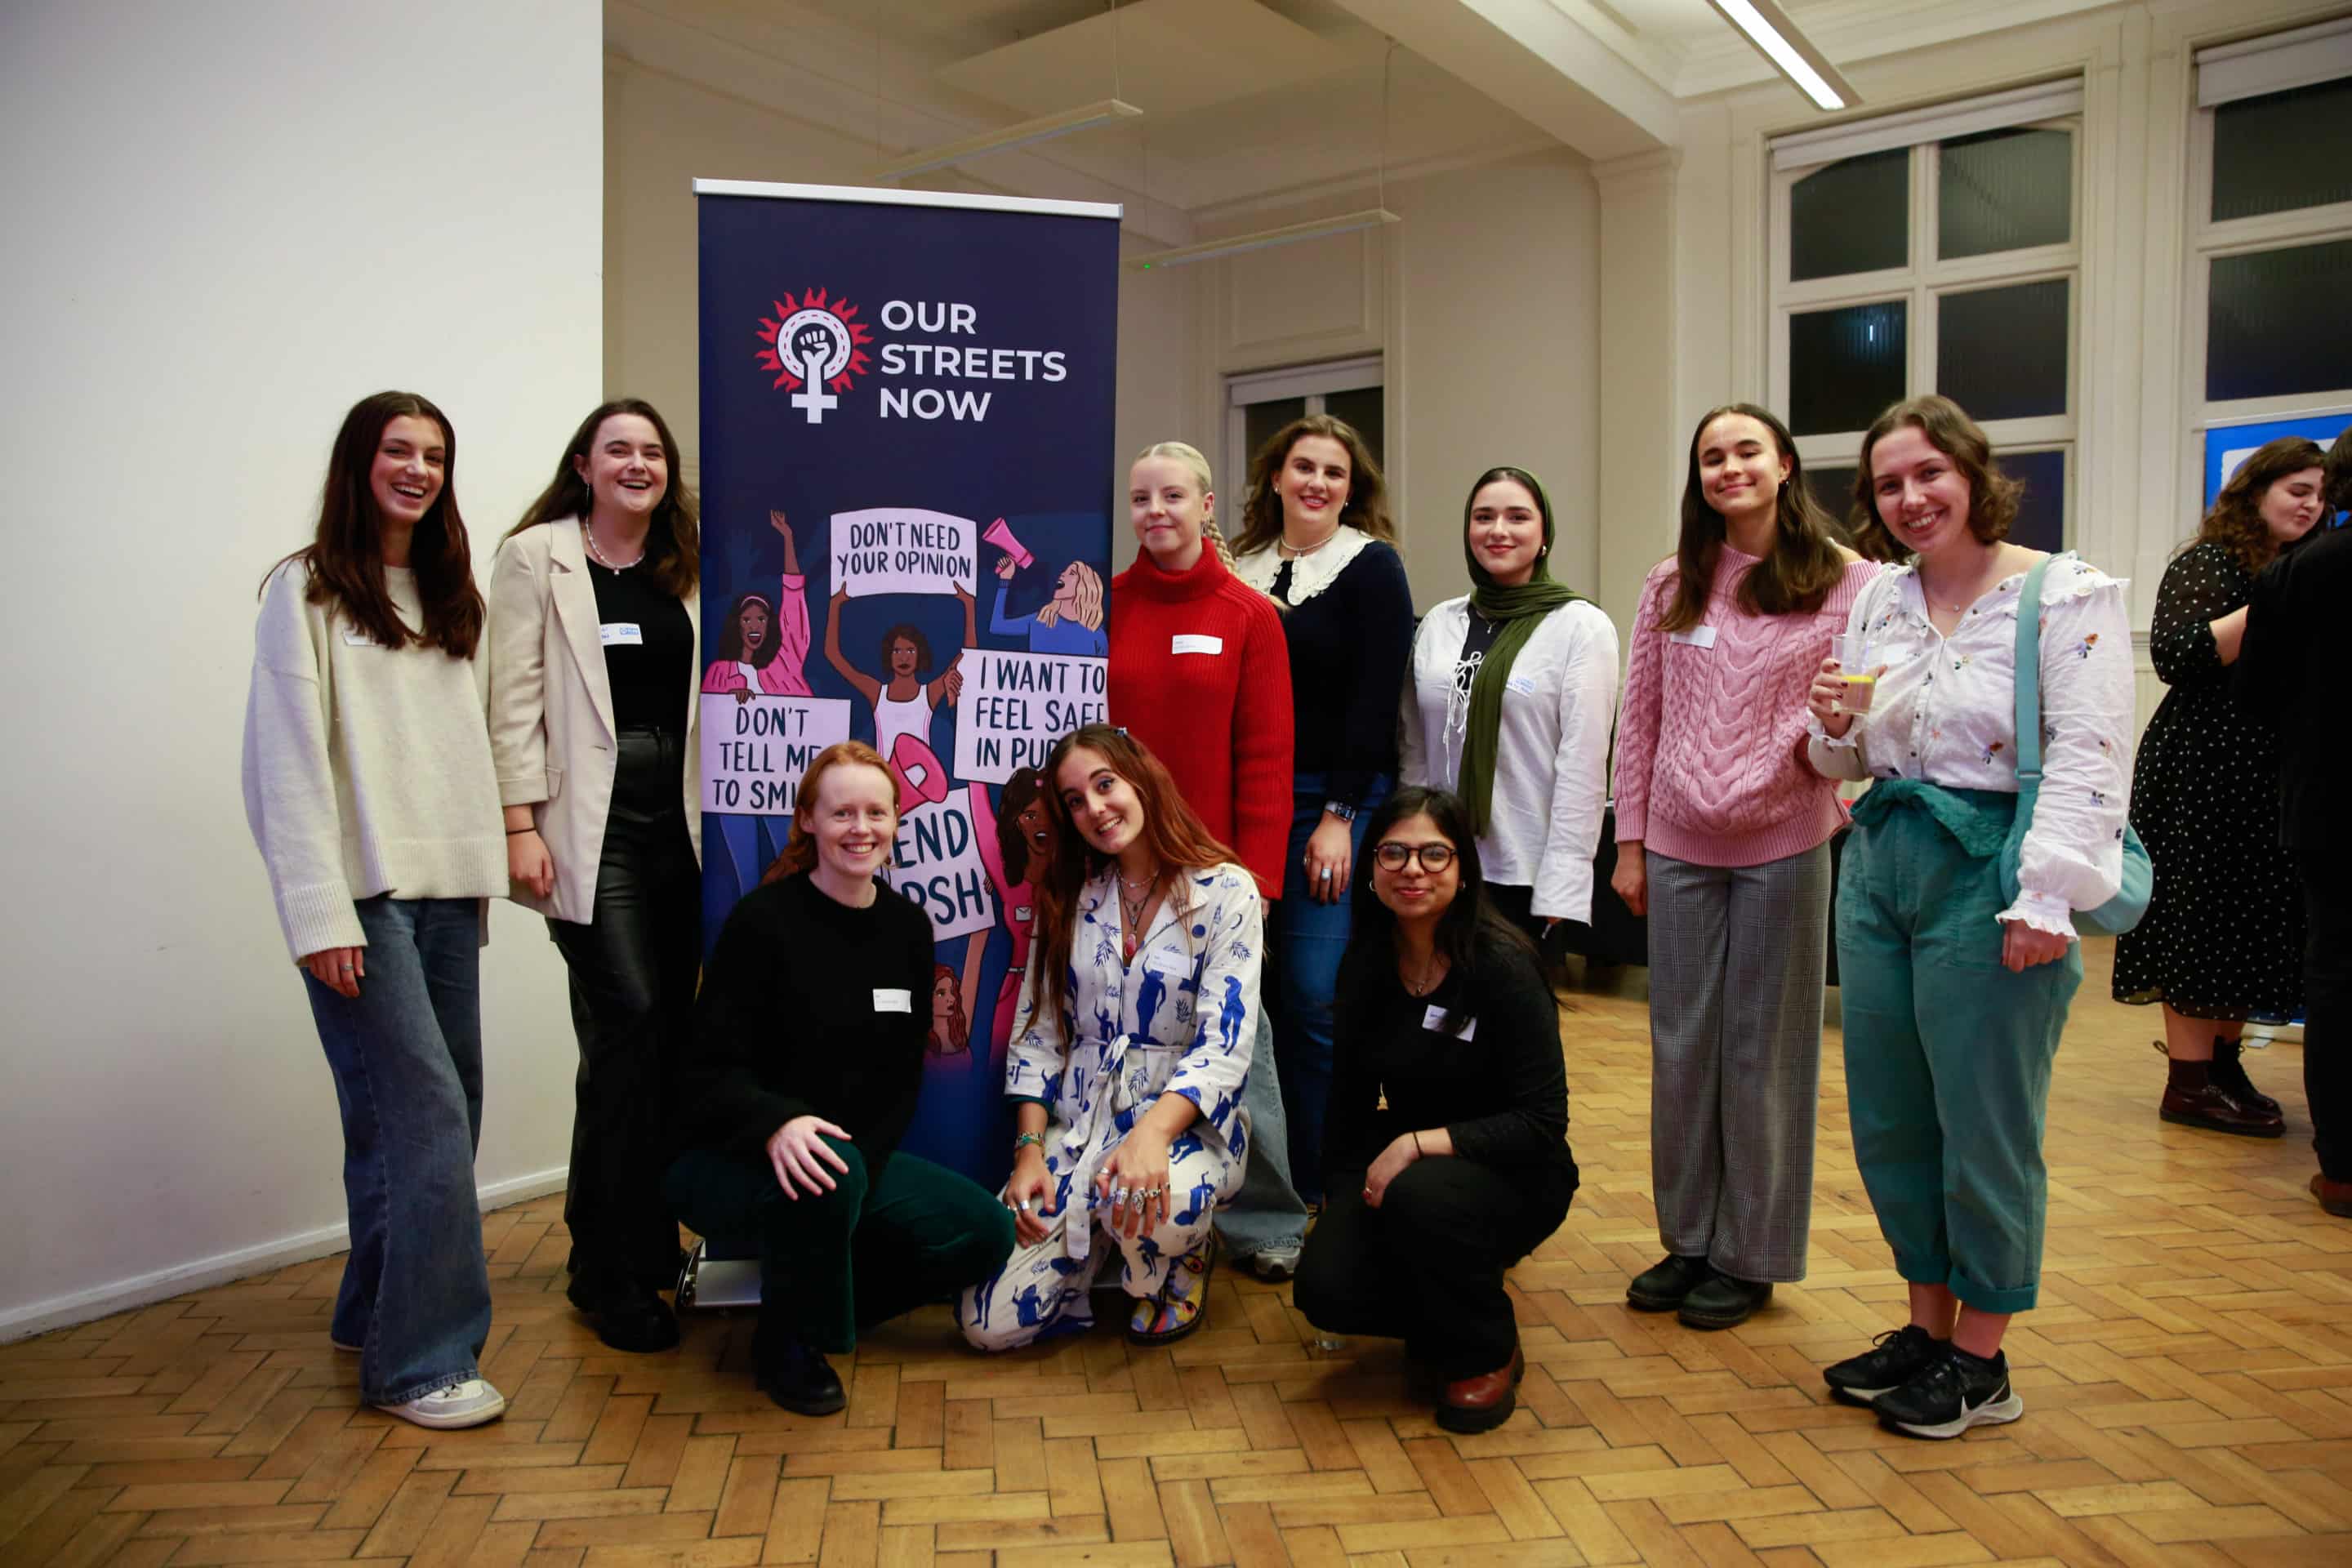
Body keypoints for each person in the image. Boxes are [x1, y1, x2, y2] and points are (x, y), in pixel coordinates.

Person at [1806, 395, 2132, 1440]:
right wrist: (1832, 729)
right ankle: (1927, 1324)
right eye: (1889, 484)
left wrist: (2045, 900)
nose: (1911, 499)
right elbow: (1846, 759)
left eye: (1928, 474)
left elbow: (2090, 757)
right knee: (1894, 1118)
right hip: (1880, 863)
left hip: (1993, 873)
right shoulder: (1878, 602)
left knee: (1985, 1125)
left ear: (1971, 474)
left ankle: (1982, 1360)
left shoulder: (2060, 591)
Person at [243, 391, 509, 1430]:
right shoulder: (303, 591)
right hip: (364, 896)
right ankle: (421, 1363)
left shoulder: (450, 596)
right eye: (399, 450)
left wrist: (484, 875)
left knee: (428, 1115)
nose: (418, 468)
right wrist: (319, 915)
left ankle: (373, 1311)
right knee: (425, 1119)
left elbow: (457, 754)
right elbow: (284, 763)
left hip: (448, 893)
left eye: (436, 454)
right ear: (361, 463)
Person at [1609, 407, 1878, 1330]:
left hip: (1785, 848)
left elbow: (1868, 715)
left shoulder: (1851, 583)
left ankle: (1751, 1254)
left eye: (1746, 452)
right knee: (1682, 1049)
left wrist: (1836, 807)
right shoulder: (1668, 585)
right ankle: (1687, 1240)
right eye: (1712, 457)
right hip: (1680, 848)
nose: (1730, 468)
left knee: (1767, 1054)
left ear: (1786, 465)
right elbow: (1637, 720)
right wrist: (1631, 842)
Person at [667, 742, 1015, 1413]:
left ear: (895, 821)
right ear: (808, 821)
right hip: (730, 1157)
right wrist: (776, 1124)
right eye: (842, 813)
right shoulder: (762, 923)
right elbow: (705, 1072)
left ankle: (799, 1302)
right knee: (832, 1173)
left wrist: (857, 1176)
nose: (861, 829)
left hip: (850, 1162)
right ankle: (790, 1346)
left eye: (876, 813)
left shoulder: (908, 930)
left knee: (984, 1233)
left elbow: (900, 1080)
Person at [488, 399, 702, 1355]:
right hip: (588, 829)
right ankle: (604, 1273)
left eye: (653, 451)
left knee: (657, 1040)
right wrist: (516, 825)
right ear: (584, 464)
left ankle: (640, 1239)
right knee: (630, 1023)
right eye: (619, 448)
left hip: (681, 831)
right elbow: (512, 701)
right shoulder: (538, 557)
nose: (638, 463)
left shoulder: (685, 566)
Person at [958, 726, 1262, 1350]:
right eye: (1074, 800)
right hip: (1082, 1132)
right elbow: (1039, 1033)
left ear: (1140, 778)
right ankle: (1096, 1239)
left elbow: (1222, 1048)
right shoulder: (1068, 895)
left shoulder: (1227, 890)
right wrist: (1030, 1152)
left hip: (1184, 1131)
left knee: (1154, 1198)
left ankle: (1182, 1253)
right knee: (985, 1324)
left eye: (1104, 785)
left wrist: (1152, 1135)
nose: (1094, 809)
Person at [1292, 787, 1577, 1434]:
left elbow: (1542, 1123)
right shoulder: (1366, 965)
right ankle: (1445, 1306)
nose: (1412, 870)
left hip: (1518, 1169)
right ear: (1370, 869)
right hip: (1416, 1170)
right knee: (1325, 1286)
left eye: (1432, 854)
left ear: (1463, 869)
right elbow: (1348, 1106)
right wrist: (1343, 1203)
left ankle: (1485, 1346)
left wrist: (1417, 1144)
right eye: (1393, 853)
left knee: (1421, 1199)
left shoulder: (1502, 966)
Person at [1110, 441, 1307, 1281]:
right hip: (1116, 866)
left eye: (1173, 496)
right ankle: (1130, 1193)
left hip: (1216, 871)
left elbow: (1267, 757)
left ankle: (1268, 1223)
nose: (1156, 512)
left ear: (1207, 504)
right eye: (1141, 498)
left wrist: (1258, 880)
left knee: (1242, 1042)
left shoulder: (1248, 614)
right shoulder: (1101, 606)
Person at [1227, 415, 1414, 1207]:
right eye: (1303, 466)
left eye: (1334, 473)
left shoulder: (1372, 568)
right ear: (1275, 476)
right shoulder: (1235, 568)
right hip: (1238, 797)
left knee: (1308, 991)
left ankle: (1321, 1176)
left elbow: (1377, 702)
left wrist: (1340, 814)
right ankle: (1255, 1177)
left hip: (1329, 801)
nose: (1317, 483)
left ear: (1352, 488)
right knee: (1243, 994)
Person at [2114, 438, 2323, 1137]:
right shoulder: (2209, 561)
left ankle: (2226, 1068)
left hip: (2268, 770)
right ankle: (2190, 1084)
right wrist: (2275, 597)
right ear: (2255, 491)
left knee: (2249, 922)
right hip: (2200, 768)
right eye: (2297, 489)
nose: (2311, 504)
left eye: (2322, 493)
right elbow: (2179, 655)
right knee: (2197, 921)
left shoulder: (2305, 568)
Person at [1401, 466, 1619, 955]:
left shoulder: (1580, 627)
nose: (1498, 530)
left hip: (1524, 867)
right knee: (1437, 1014)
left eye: (1517, 517)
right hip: (1437, 862)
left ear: (1544, 535)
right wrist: (1410, 844)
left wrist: (1563, 878)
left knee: (1512, 1021)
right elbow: (1415, 747)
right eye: (1484, 517)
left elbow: (1583, 768)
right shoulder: (1440, 622)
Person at [2238, 425, 2352, 1220]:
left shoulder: (2299, 573)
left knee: (2339, 981)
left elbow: (2257, 697)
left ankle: (2342, 1167)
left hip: (2329, 805)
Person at [823, 588, 976, 764]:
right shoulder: (876, 693)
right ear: (889, 655)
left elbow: (968, 656)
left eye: (910, 650)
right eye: (897, 651)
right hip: (887, 785)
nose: (904, 657)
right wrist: (835, 605)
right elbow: (833, 655)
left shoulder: (929, 694)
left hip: (922, 786)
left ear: (920, 655)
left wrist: (969, 605)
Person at [702, 511, 813, 700]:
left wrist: (788, 538)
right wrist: (731, 699)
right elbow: (712, 714)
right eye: (747, 620)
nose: (754, 626)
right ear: (737, 625)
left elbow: (794, 602)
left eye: (761, 619)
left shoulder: (784, 665)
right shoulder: (719, 672)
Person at [990, 554, 1108, 656]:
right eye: (1064, 571)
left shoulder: (1096, 635)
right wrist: (1005, 580)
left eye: (1072, 573)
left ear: (1085, 587)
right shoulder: (1041, 621)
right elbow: (997, 626)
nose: (1062, 574)